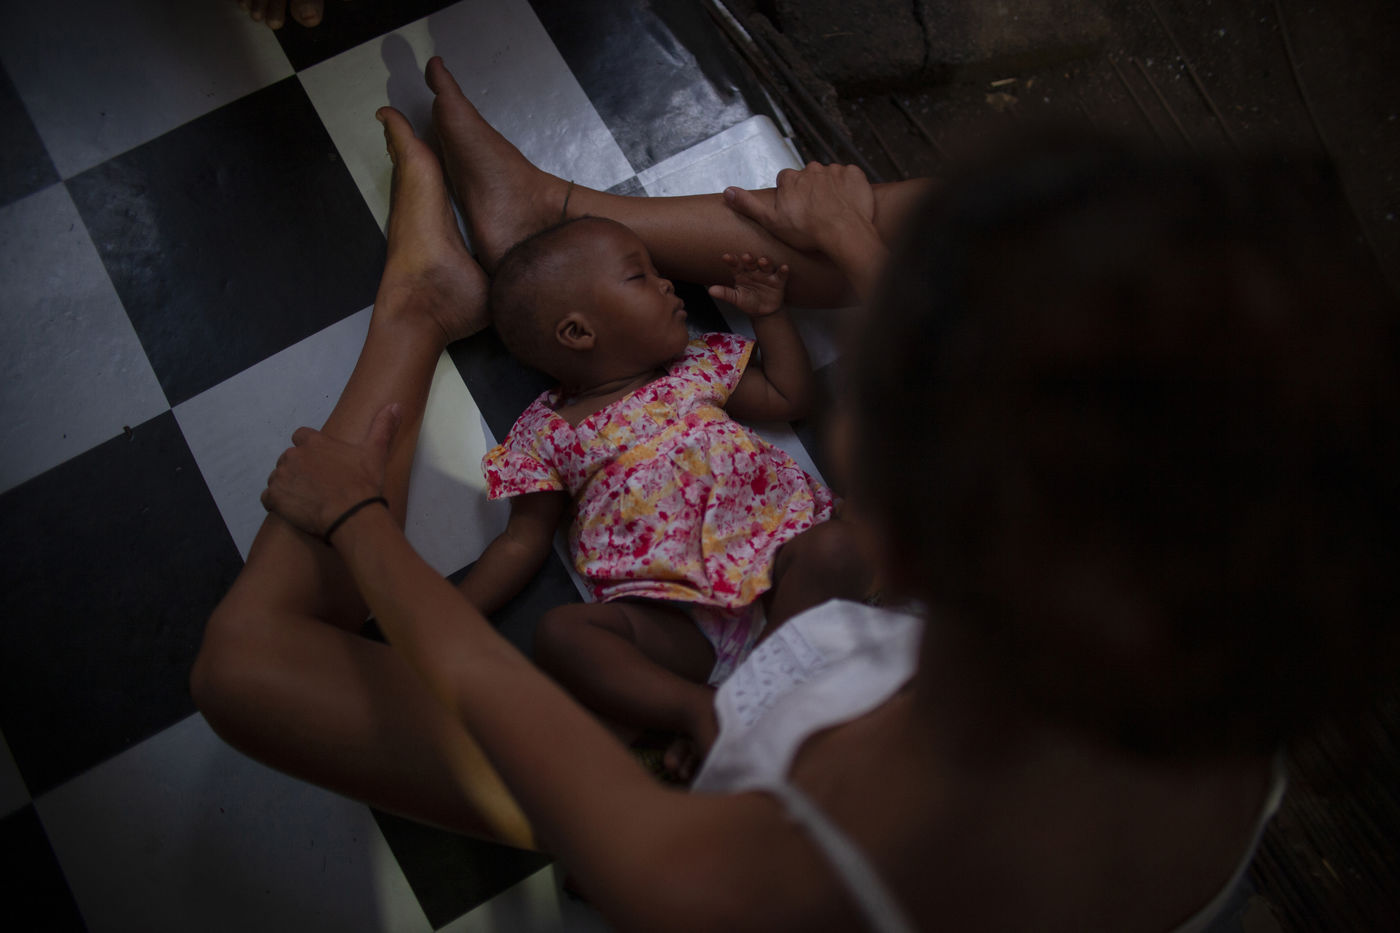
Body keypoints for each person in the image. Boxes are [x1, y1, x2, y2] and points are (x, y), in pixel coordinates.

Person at [193, 55, 1398, 931]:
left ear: (906, 549)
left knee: (243, 668)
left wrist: (358, 518)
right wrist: (855, 240)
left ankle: (417, 309)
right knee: (944, 227)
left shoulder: (741, 876)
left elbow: (489, 678)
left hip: (691, 790)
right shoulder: (1217, 646)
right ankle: (553, 215)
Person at [462, 216, 868, 778]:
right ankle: (700, 709)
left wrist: (769, 315)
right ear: (578, 332)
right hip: (674, 617)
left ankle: (751, 694)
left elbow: (788, 396)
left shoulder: (692, 369)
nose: (667, 284)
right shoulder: (544, 434)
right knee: (563, 634)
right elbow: (520, 542)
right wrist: (450, 613)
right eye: (640, 277)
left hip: (781, 563)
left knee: (840, 548)